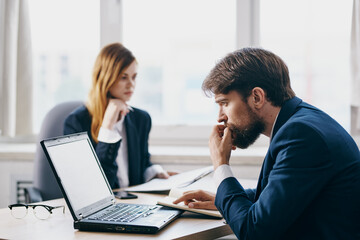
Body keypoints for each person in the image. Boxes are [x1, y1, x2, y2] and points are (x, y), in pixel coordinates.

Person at [174, 48, 360, 239]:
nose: (220, 117)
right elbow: (282, 194)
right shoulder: (302, 121)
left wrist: (221, 165)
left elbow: (254, 232)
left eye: (225, 103)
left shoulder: (301, 136)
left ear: (257, 97)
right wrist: (224, 199)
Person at [64, 42, 173, 190]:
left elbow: (142, 165)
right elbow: (94, 187)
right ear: (105, 78)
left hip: (134, 203)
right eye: (123, 77)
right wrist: (107, 127)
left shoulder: (141, 119)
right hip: (102, 208)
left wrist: (156, 173)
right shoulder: (76, 122)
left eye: (134, 77)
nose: (131, 84)